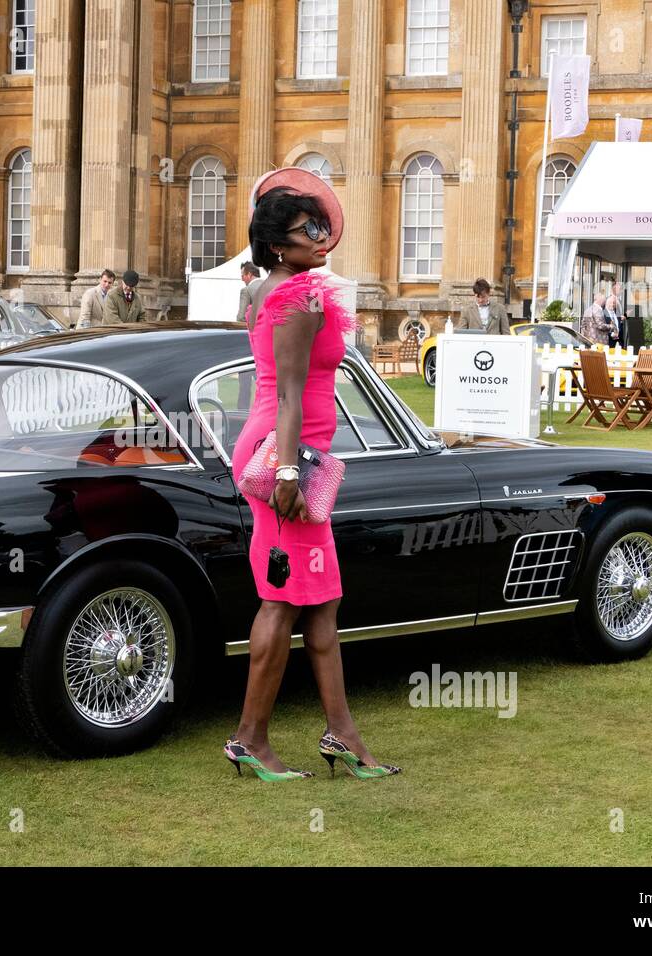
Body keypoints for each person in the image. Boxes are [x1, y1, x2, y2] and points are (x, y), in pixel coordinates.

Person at [225, 167, 400, 782]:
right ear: (278, 244)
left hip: (298, 451)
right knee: (281, 598)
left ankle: (343, 734)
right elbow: (292, 392)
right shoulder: (296, 298)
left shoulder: (275, 289)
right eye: (308, 229)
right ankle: (250, 739)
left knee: (321, 600)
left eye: (322, 224)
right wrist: (290, 471)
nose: (322, 236)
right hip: (287, 455)